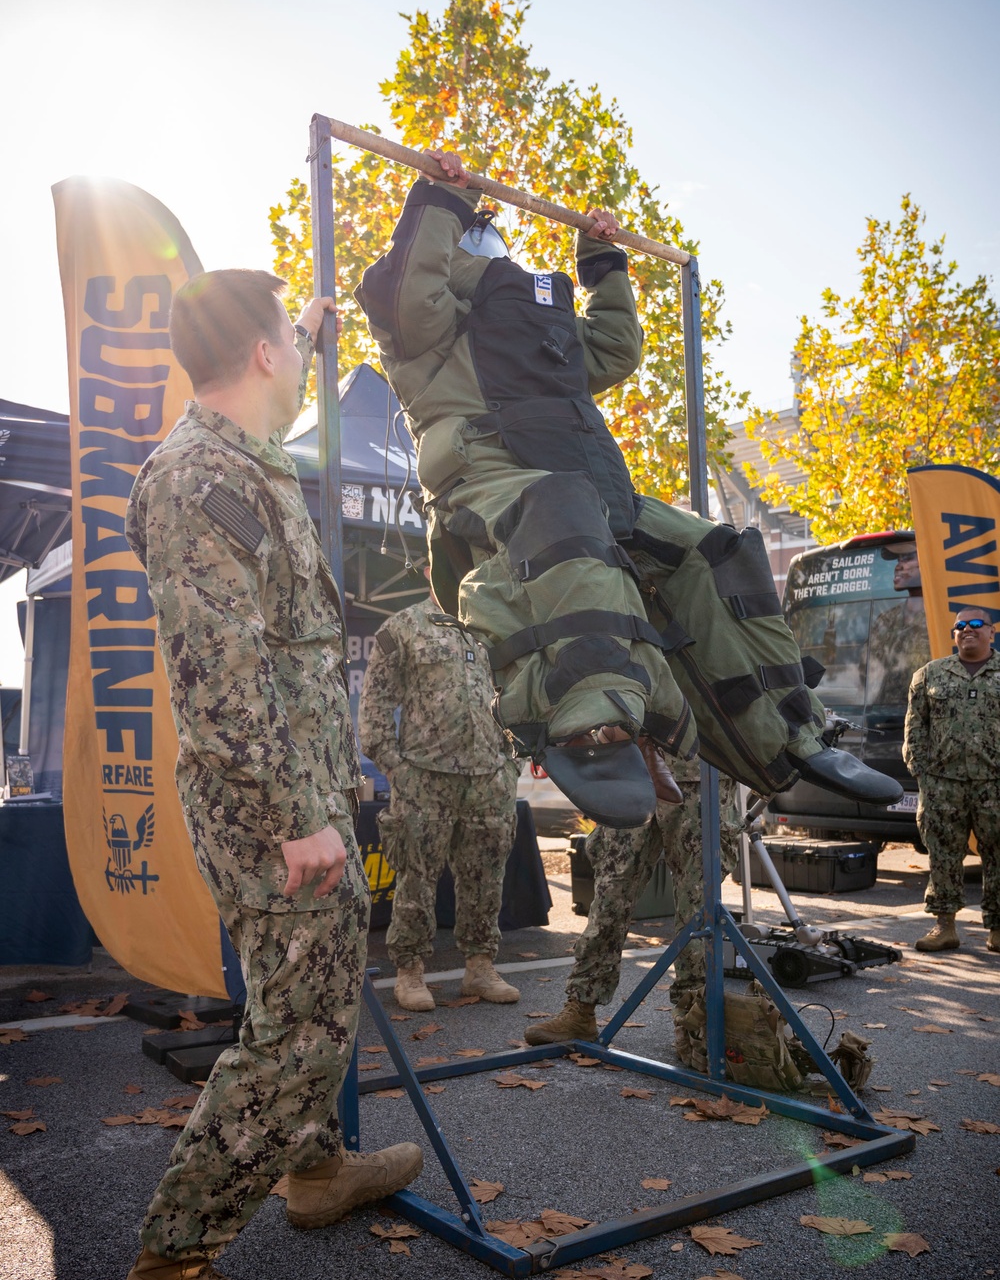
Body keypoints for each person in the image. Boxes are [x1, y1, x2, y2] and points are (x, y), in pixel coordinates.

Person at [355, 151, 900, 828]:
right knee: (560, 510)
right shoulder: (421, 328)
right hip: (487, 482)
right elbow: (413, 290)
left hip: (582, 482)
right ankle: (594, 722)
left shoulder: (529, 331)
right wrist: (440, 197)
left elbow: (613, 348)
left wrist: (602, 265)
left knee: (715, 549)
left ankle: (788, 727)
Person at [117, 271, 423, 1280]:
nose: (299, 353)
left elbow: (283, 375)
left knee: (314, 999)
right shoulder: (200, 477)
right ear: (257, 353)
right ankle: (168, 1273)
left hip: (298, 787)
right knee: (294, 1032)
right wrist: (300, 817)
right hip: (271, 806)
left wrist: (314, 324)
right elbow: (219, 678)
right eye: (287, 337)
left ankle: (311, 1166)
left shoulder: (245, 447)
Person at [359, 573, 521, 1009]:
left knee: (486, 879)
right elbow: (374, 709)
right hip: (424, 778)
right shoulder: (403, 628)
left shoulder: (496, 627)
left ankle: (480, 968)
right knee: (416, 880)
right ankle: (410, 973)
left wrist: (513, 763)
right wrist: (397, 770)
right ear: (432, 567)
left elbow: (524, 696)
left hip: (489, 778)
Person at [523, 754, 740, 1051]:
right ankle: (581, 1009)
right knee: (610, 895)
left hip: (699, 773)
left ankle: (695, 1021)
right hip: (632, 770)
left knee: (697, 908)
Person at [903, 604, 1000, 954]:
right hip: (943, 783)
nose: (967, 630)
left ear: (992, 631)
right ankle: (944, 927)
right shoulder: (930, 675)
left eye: (977, 624)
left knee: (998, 855)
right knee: (942, 855)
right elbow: (915, 726)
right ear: (953, 634)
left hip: (995, 782)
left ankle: (998, 930)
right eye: (960, 626)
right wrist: (923, 772)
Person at [865, 542, 930, 705]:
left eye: (907, 559)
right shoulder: (886, 619)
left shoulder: (942, 616)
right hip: (885, 716)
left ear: (928, 562)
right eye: (898, 560)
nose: (898, 566)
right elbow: (868, 671)